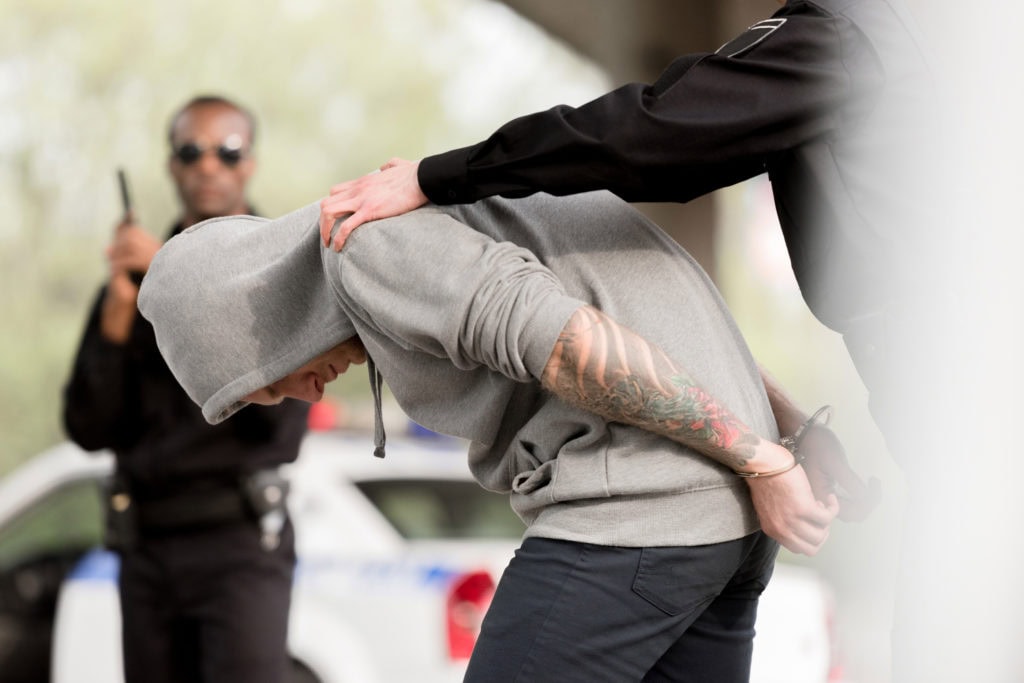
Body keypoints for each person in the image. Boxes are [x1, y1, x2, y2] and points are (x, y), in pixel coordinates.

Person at [317, 2, 968, 679]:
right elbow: (679, 135)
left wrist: (437, 175)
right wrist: (790, 426)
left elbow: (649, 135)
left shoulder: (843, 31)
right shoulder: (915, 43)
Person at [136, 188, 876, 681]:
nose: (299, 392)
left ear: (254, 326)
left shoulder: (366, 249)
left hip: (640, 511)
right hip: (722, 527)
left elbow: (571, 343)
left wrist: (763, 456)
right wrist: (784, 432)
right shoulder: (440, 218)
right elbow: (656, 318)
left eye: (267, 381)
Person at [62, 95, 310, 683]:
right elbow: (87, 429)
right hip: (146, 546)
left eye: (226, 152)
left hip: (239, 544)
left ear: (249, 163)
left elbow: (281, 425)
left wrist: (175, 275)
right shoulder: (133, 282)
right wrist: (117, 324)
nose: (208, 166)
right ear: (171, 165)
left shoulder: (280, 264)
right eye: (190, 151)